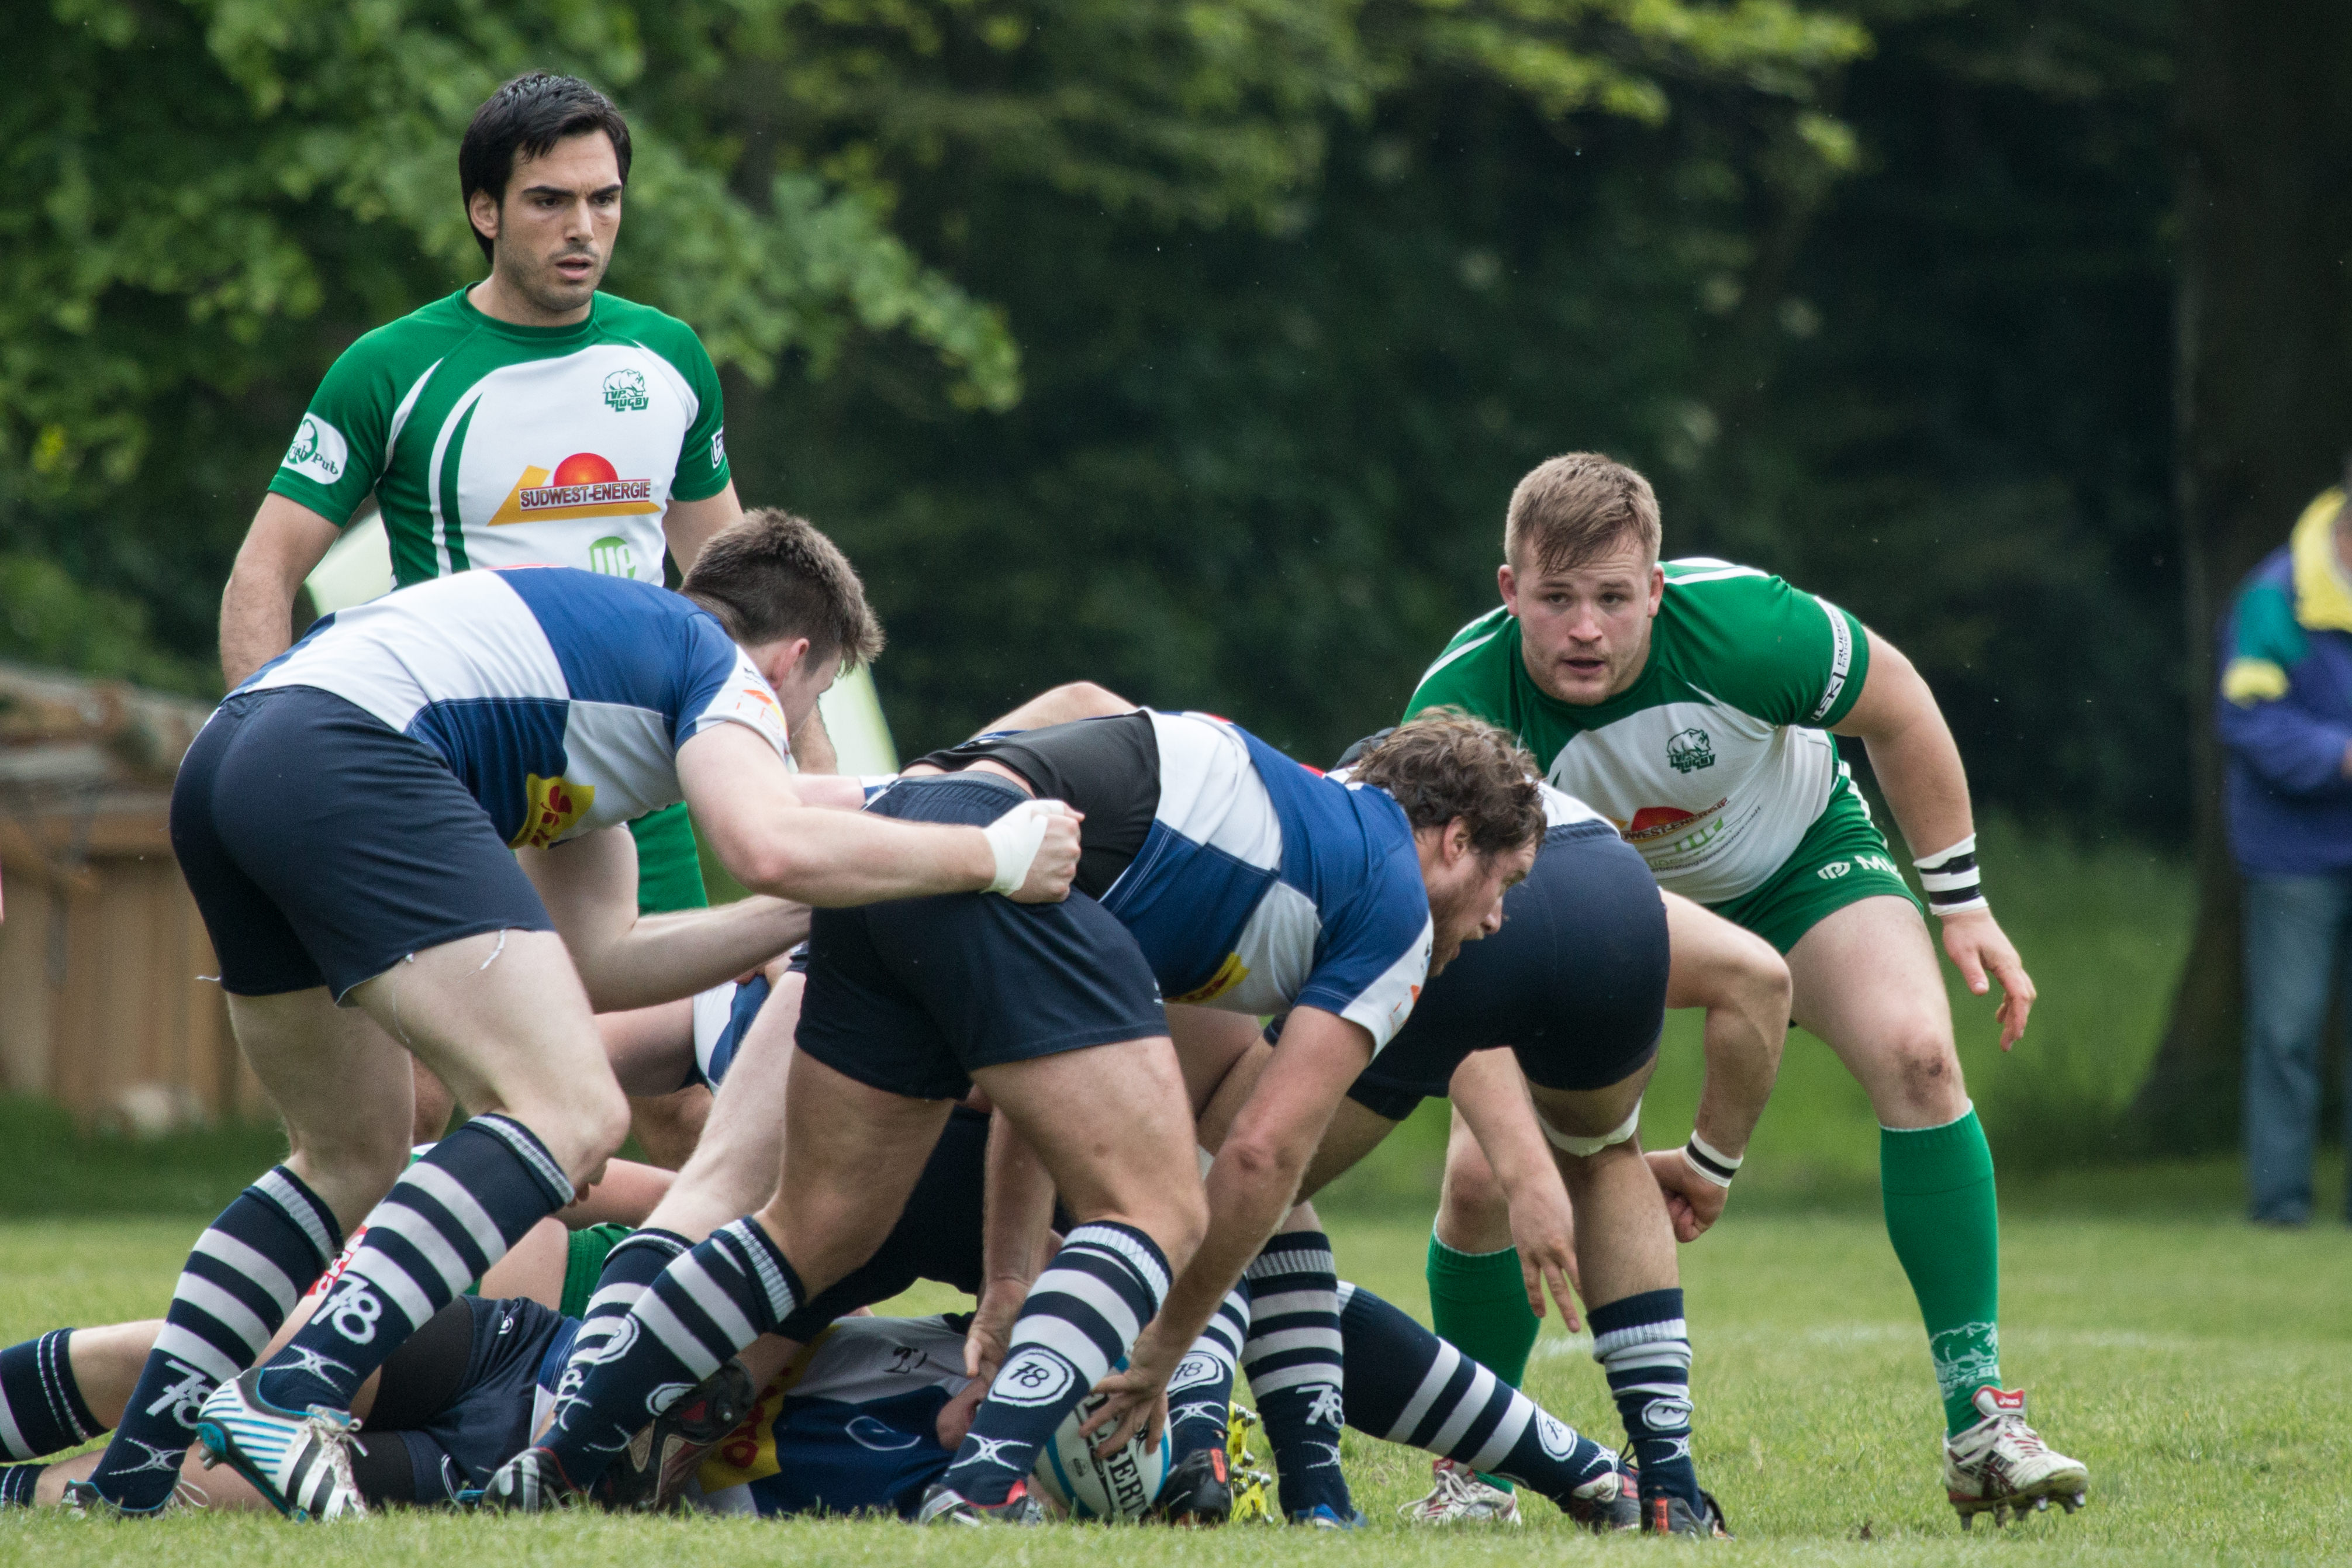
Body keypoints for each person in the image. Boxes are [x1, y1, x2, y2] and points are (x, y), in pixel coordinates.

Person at [77, 516, 1080, 1519]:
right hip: (344, 748)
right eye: (805, 706)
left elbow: (605, 958)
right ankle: (294, 1392)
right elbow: (770, 840)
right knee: (572, 1112)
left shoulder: (602, 708)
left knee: (348, 1157)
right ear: (791, 660)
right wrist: (988, 853)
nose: (784, 734)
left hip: (233, 757)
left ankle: (133, 1472)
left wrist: (821, 904)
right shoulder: (720, 667)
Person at [486, 710, 1542, 1523]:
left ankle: (562, 1457)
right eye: (1507, 881)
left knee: (817, 1223)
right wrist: (1168, 1347)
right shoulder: (1394, 901)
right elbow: (1263, 1154)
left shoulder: (1299, 822)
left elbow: (1035, 1080)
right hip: (993, 859)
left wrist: (1004, 1280)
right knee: (1162, 1205)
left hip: (905, 835)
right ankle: (985, 1481)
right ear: (1454, 840)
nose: (1498, 919)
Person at [1404, 453, 2087, 1526]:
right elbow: (1448, 929)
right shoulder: (1459, 708)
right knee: (1485, 1173)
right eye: (1556, 598)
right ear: (1508, 591)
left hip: (1794, 869)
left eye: (1613, 598)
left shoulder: (1747, 627)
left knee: (1920, 1055)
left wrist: (1961, 901)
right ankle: (1473, 1473)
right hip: (1588, 914)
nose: (1585, 628)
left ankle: (1982, 1427)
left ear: (1656, 589)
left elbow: (1899, 704)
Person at [2218, 473, 2352, 1226]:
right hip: (2292, 855)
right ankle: (2280, 1206)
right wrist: (2341, 756)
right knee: (2287, 1031)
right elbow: (2248, 718)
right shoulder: (2274, 594)